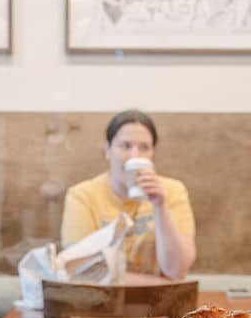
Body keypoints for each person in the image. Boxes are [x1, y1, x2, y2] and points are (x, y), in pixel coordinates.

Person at [61, 109, 196, 280]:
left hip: (160, 304)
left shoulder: (173, 191)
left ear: (152, 154)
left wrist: (160, 206)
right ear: (107, 151)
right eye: (125, 146)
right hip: (103, 303)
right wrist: (156, 284)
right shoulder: (82, 196)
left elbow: (176, 270)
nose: (134, 156)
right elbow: (82, 271)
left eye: (144, 147)